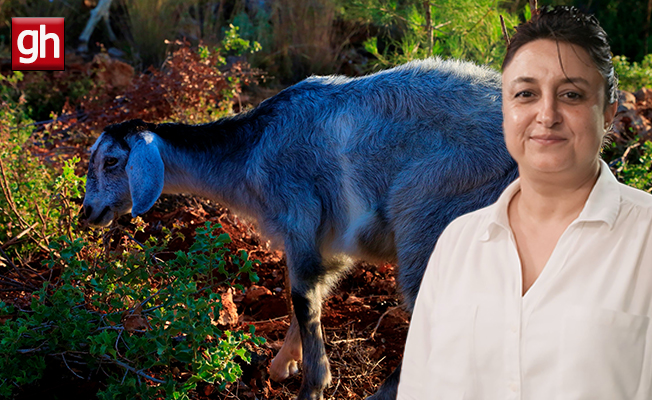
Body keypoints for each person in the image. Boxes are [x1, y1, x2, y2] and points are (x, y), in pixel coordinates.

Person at [397, 6, 652, 400]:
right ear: (504, 109)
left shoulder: (645, 241)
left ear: (608, 113)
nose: (546, 115)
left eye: (571, 94)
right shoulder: (456, 244)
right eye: (526, 94)